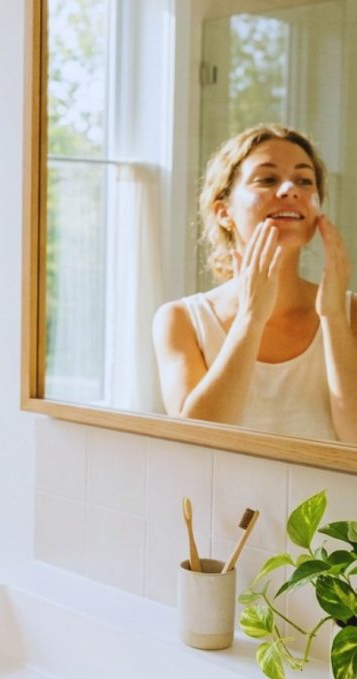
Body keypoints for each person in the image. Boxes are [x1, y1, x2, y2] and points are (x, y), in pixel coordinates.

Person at [153, 123, 357, 441]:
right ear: (224, 212)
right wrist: (251, 318)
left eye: (304, 181)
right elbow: (197, 441)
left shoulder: (350, 312)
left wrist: (333, 318)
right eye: (267, 179)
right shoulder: (182, 320)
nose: (290, 190)